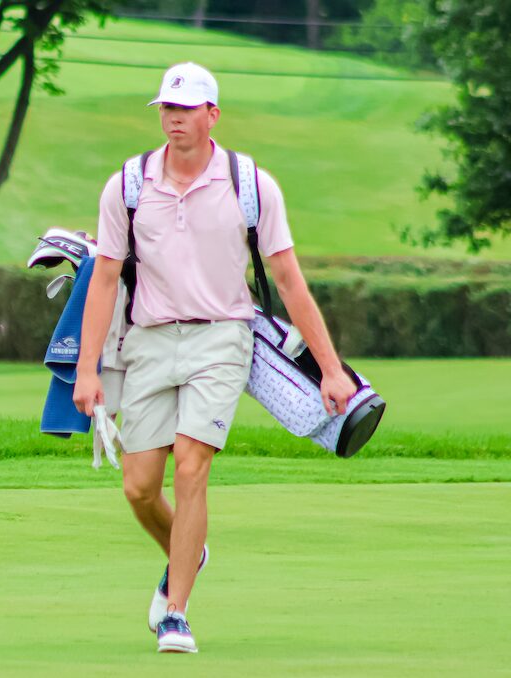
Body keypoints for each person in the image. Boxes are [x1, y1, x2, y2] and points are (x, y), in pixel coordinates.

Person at [72, 62, 357, 654]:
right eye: (166, 109)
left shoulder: (250, 184)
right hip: (149, 340)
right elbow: (103, 280)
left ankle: (175, 613)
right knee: (138, 487)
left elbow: (289, 278)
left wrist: (332, 368)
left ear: (212, 115)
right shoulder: (127, 185)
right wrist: (87, 368)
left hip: (223, 339)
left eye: (185, 109)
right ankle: (188, 550)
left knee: (192, 464)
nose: (173, 119)